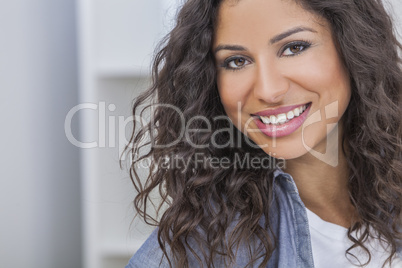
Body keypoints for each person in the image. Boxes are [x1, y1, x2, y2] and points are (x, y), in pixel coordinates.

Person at [123, 0, 402, 267]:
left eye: (294, 48)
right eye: (236, 61)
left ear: (353, 46)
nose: (268, 91)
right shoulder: (205, 248)